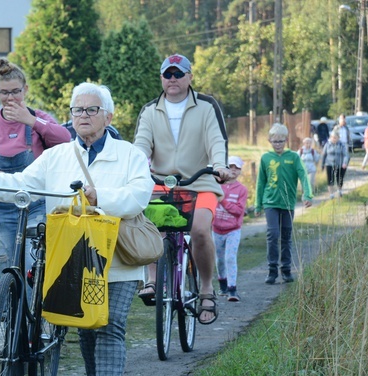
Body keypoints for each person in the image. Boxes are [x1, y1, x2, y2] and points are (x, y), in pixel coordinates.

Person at [0, 82, 154, 376]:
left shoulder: (129, 154)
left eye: (91, 110)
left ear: (108, 116)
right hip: (75, 260)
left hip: (118, 261)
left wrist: (101, 197)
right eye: (77, 110)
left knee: (109, 325)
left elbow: (139, 195)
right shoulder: (59, 155)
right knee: (86, 326)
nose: (82, 116)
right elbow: (22, 183)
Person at [133, 53, 232, 325]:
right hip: (162, 182)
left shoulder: (207, 106)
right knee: (150, 225)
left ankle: (206, 289)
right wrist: (137, 165)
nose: (173, 79)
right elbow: (141, 145)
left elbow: (216, 140)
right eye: (168, 74)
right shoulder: (150, 110)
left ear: (189, 77)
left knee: (200, 230)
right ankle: (153, 279)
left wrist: (220, 165)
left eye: (179, 74)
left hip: (201, 182)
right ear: (162, 79)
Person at [0, 57, 71, 281]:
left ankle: (33, 314)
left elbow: (65, 139)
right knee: (6, 270)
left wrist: (30, 121)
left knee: (32, 269)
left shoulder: (38, 118)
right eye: (4, 93)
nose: (9, 98)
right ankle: (8, 314)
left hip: (35, 206)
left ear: (26, 89)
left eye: (15, 91)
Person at [255, 123, 313, 284]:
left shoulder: (293, 157)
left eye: (281, 141)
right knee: (273, 234)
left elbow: (303, 176)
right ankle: (272, 270)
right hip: (270, 202)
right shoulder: (266, 158)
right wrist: (258, 204)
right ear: (270, 141)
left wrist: (307, 194)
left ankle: (286, 270)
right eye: (275, 141)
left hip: (287, 203)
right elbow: (261, 182)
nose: (278, 144)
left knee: (286, 236)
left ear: (286, 140)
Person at [212, 156, 248, 302]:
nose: (233, 170)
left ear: (240, 170)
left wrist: (223, 201)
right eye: (230, 166)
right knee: (220, 260)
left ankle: (233, 290)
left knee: (230, 258)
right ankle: (223, 285)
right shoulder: (216, 186)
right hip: (216, 230)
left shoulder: (242, 190)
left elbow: (239, 210)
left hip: (233, 230)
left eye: (237, 167)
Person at [319, 129, 350, 199]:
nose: (334, 139)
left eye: (335, 137)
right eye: (332, 137)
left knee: (340, 178)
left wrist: (345, 163)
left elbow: (346, 155)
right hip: (329, 164)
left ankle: (339, 190)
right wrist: (322, 165)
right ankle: (331, 194)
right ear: (330, 137)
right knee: (330, 179)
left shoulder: (342, 145)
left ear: (338, 138)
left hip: (340, 164)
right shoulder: (327, 145)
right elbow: (324, 155)